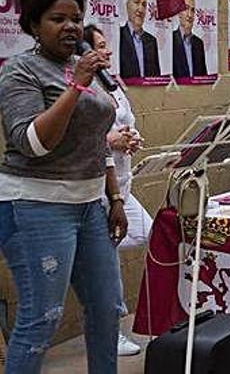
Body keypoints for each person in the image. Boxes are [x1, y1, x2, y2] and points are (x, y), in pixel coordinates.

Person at [0, 0, 127, 372]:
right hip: (35, 205)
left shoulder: (81, 69)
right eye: (58, 19)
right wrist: (77, 87)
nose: (71, 26)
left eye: (76, 18)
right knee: (43, 317)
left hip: (89, 204)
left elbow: (96, 140)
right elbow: (33, 144)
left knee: (107, 307)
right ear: (34, 25)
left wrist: (115, 198)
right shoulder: (19, 71)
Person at [84, 25, 154, 356]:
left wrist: (132, 138)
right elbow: (85, 134)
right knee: (107, 264)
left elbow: (127, 121)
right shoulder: (81, 85)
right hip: (98, 189)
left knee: (154, 235)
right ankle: (110, 330)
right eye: (100, 47)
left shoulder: (113, 82)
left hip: (124, 185)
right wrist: (111, 140)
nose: (108, 52)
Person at [119, 0, 160, 78]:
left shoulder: (152, 41)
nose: (140, 9)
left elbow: (156, 77)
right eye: (136, 2)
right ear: (127, 5)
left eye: (144, 5)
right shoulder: (119, 36)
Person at [172, 0, 207, 78]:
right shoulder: (171, 40)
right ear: (179, 12)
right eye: (186, 8)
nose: (190, 15)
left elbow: (203, 77)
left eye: (192, 10)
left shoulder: (198, 43)